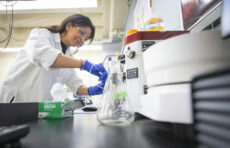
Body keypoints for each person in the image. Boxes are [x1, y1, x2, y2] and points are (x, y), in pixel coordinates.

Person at [0, 14, 108, 103]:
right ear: (69, 26)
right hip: (14, 102)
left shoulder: (68, 56)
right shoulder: (41, 34)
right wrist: (84, 64)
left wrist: (92, 90)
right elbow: (45, 56)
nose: (82, 39)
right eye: (82, 32)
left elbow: (75, 85)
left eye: (86, 38)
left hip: (39, 108)